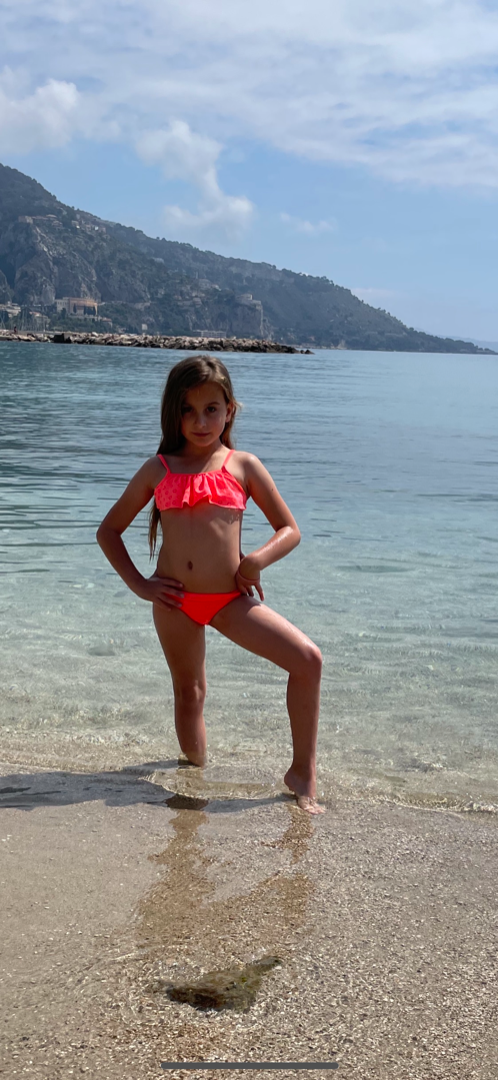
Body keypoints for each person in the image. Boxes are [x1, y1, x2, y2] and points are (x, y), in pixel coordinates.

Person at [97, 355, 323, 814]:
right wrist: (141, 585)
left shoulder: (244, 465)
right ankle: (193, 777)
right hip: (174, 602)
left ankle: (303, 772)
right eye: (188, 410)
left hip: (229, 600)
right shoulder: (159, 468)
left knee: (307, 660)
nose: (200, 422)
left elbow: (290, 529)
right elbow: (109, 531)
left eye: (211, 410)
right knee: (190, 694)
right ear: (173, 413)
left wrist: (256, 560)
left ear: (229, 410)